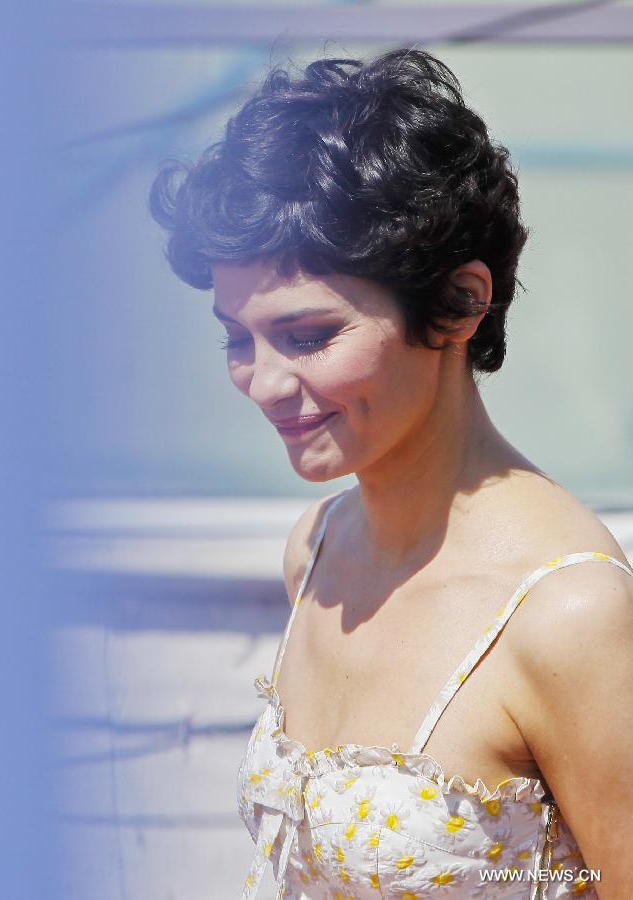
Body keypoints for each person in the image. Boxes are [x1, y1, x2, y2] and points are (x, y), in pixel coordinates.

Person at [149, 47, 633, 899]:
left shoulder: (569, 616)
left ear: (458, 303)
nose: (261, 383)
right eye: (237, 337)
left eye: (306, 337)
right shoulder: (318, 549)